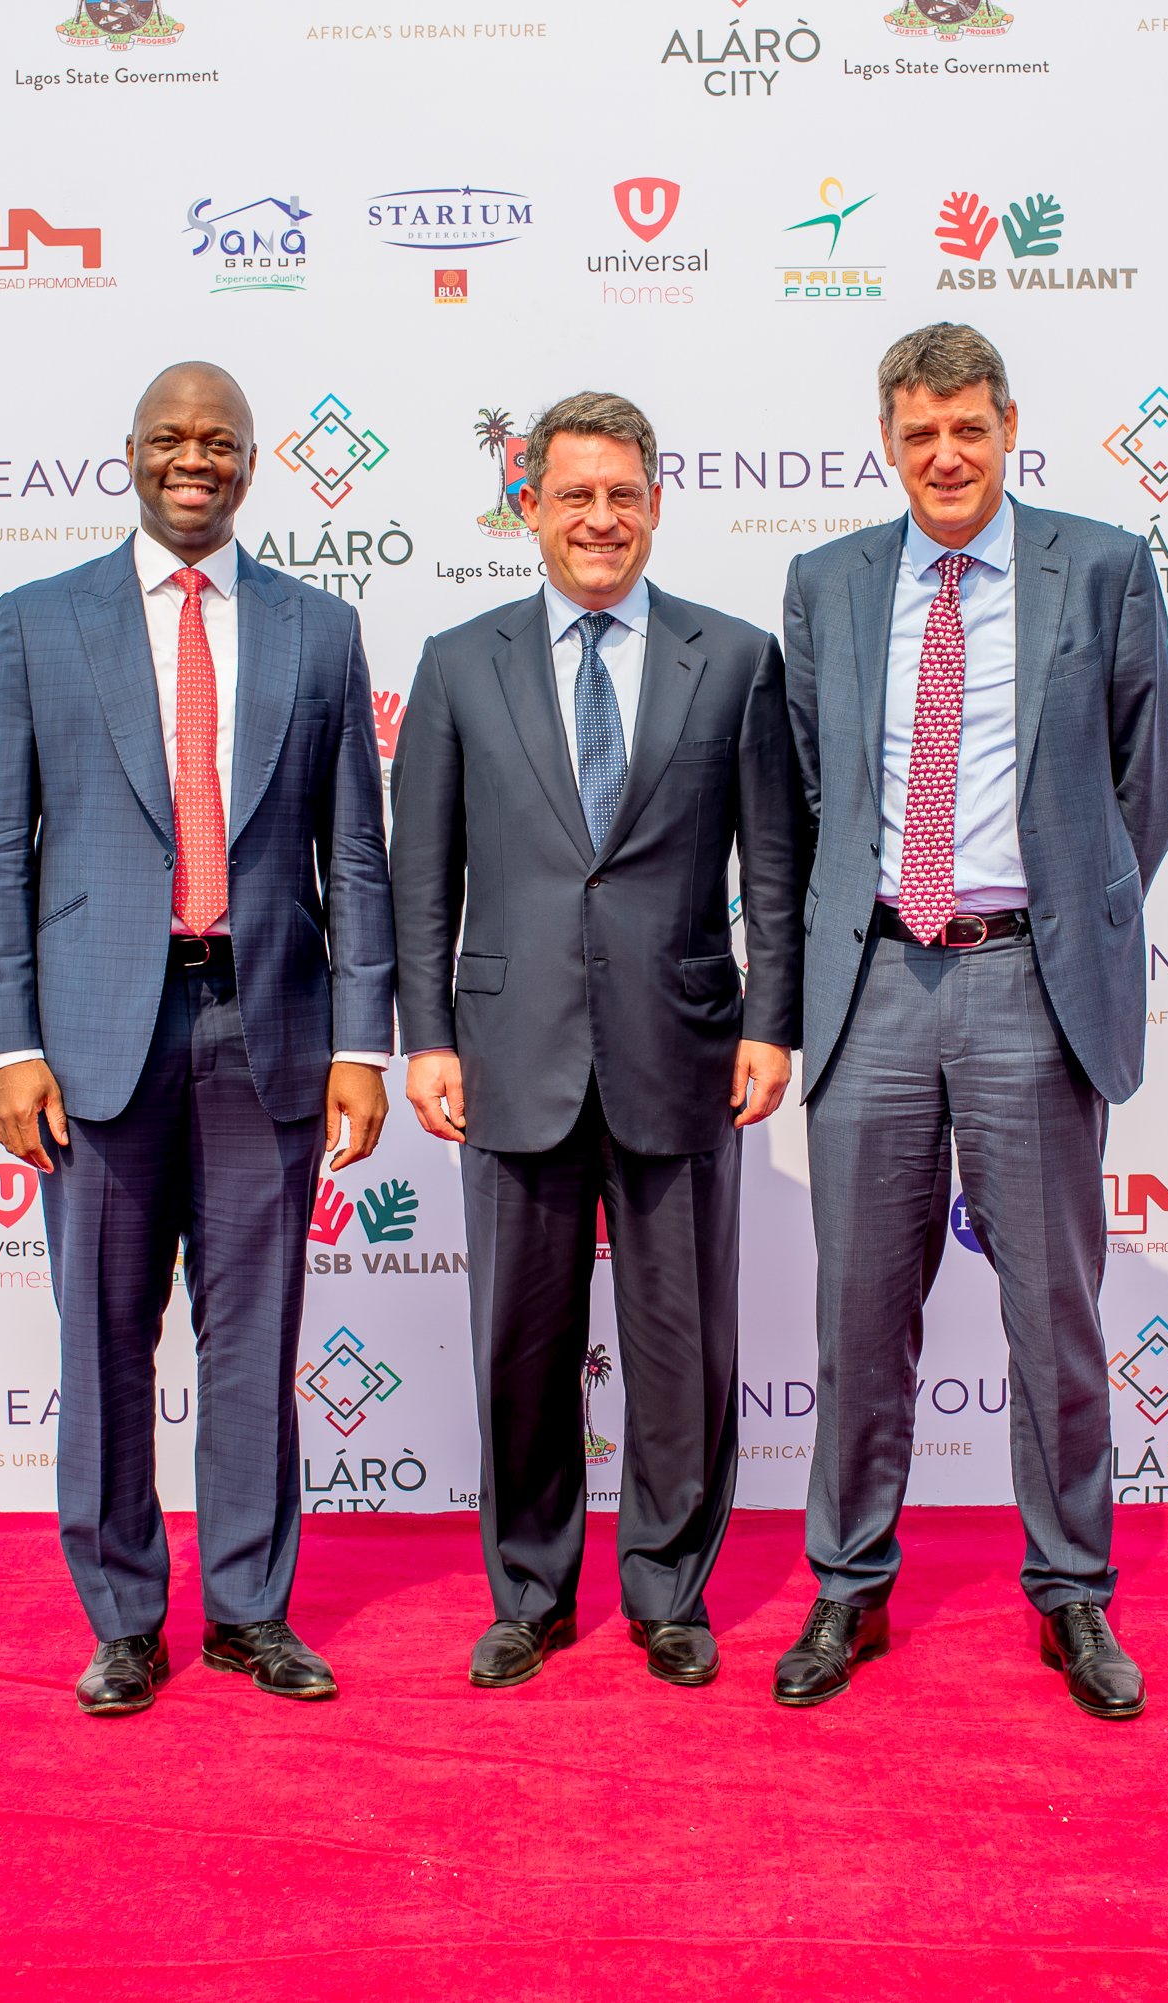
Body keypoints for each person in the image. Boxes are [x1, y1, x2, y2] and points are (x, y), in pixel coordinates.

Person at [0, 360, 396, 1717]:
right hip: (95, 1044)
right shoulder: (39, 625)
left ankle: (252, 1612)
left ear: (254, 463)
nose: (193, 458)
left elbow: (358, 858)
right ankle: (126, 1619)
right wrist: (4, 1044)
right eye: (170, 437)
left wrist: (361, 1044)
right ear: (131, 452)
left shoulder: (316, 633)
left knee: (257, 1338)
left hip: (264, 1029)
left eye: (220, 441)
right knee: (103, 1336)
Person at [773, 324, 1168, 1719]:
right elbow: (816, 795)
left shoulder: (1104, 570)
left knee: (1053, 1311)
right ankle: (847, 1587)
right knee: (856, 1313)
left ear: (1010, 427)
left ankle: (1074, 1596)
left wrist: (1063, 920)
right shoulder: (825, 584)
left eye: (969, 427)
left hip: (1029, 983)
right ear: (888, 442)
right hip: (875, 981)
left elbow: (1142, 791)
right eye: (917, 431)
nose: (945, 454)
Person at [390, 390, 806, 1690]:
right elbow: (422, 874)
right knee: (521, 1339)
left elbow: (776, 867)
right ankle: (528, 1590)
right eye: (573, 495)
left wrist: (773, 1022)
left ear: (657, 502)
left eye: (622, 494)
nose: (600, 519)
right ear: (529, 506)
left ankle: (669, 1590)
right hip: (509, 1050)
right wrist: (427, 1037)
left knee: (685, 1343)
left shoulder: (732, 659)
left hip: (683, 1044)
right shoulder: (460, 663)